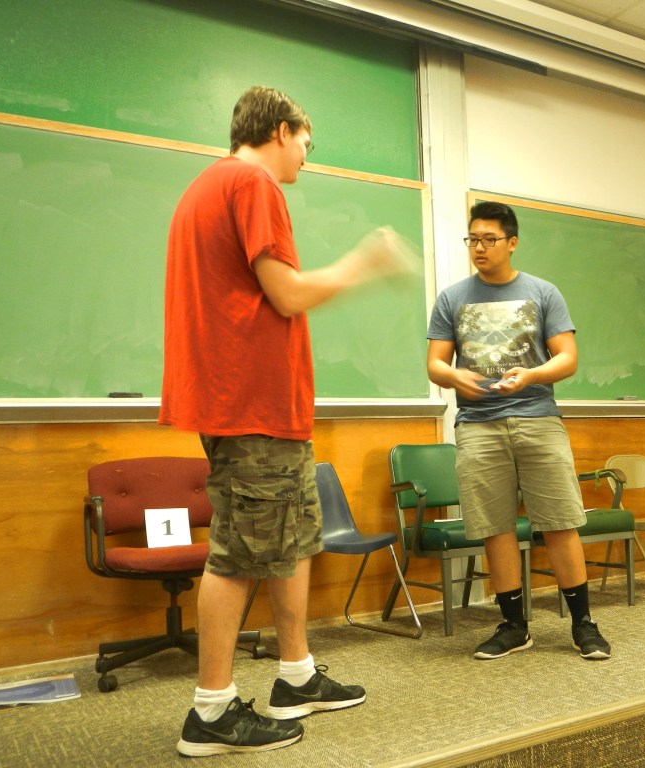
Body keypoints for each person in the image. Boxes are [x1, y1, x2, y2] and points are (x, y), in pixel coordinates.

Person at [160, 85, 415, 757]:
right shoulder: (251, 181)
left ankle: (295, 675)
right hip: (250, 404)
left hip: (262, 404)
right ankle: (210, 713)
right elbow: (288, 292)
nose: (307, 155)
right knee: (240, 556)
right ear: (279, 130)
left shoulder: (209, 186)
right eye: (306, 140)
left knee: (292, 539)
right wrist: (366, 261)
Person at [426, 200, 611, 661]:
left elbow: (567, 358)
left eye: (489, 239)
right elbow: (435, 364)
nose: (479, 248)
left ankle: (583, 623)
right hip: (477, 425)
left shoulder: (543, 292)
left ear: (512, 242)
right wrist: (454, 377)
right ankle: (513, 626)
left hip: (537, 418)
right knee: (495, 527)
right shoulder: (452, 298)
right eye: (472, 239)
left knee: (560, 521)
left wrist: (530, 376)